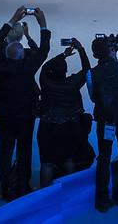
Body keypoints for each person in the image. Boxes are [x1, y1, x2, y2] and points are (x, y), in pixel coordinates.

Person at [0, 6, 50, 200]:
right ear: (22, 55)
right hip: (25, 115)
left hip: (4, 115)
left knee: (6, 147)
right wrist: (42, 25)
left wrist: (12, 18)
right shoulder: (27, 68)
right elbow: (43, 51)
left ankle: (5, 182)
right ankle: (23, 183)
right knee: (24, 148)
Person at [86, 35, 118, 212]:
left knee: (104, 157)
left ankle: (102, 200)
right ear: (111, 50)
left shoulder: (91, 74)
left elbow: (94, 97)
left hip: (105, 119)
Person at [38, 38, 91, 187]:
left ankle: (43, 195)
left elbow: (44, 67)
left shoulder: (45, 81)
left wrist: (63, 55)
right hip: (69, 126)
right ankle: (70, 190)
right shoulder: (72, 83)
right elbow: (87, 69)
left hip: (48, 126)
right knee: (69, 159)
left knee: (47, 163)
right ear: (66, 71)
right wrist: (80, 49)